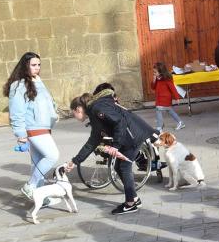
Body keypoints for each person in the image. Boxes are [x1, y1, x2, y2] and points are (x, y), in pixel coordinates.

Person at [67, 87, 159, 215]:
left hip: (133, 135)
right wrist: (75, 161)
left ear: (78, 109)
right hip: (128, 135)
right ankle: (134, 199)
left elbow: (120, 122)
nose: (75, 117)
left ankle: (130, 204)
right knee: (116, 165)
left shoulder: (96, 108)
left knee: (124, 167)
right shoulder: (94, 113)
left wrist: (115, 146)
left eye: (73, 114)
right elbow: (92, 141)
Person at [4, 52, 60, 202]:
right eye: (33, 65)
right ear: (25, 66)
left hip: (44, 127)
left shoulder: (38, 81)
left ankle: (41, 199)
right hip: (34, 128)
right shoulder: (18, 85)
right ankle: (31, 185)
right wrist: (21, 135)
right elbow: (16, 112)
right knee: (52, 156)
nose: (37, 68)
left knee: (37, 163)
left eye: (39, 65)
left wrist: (53, 111)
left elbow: (46, 103)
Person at [152, 62, 184, 131]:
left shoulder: (167, 79)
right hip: (159, 98)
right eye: (153, 72)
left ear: (160, 72)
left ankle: (159, 127)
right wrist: (154, 81)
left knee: (158, 110)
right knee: (170, 111)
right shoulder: (157, 79)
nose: (154, 73)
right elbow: (153, 87)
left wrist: (177, 98)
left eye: (155, 72)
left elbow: (173, 88)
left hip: (165, 99)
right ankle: (180, 122)